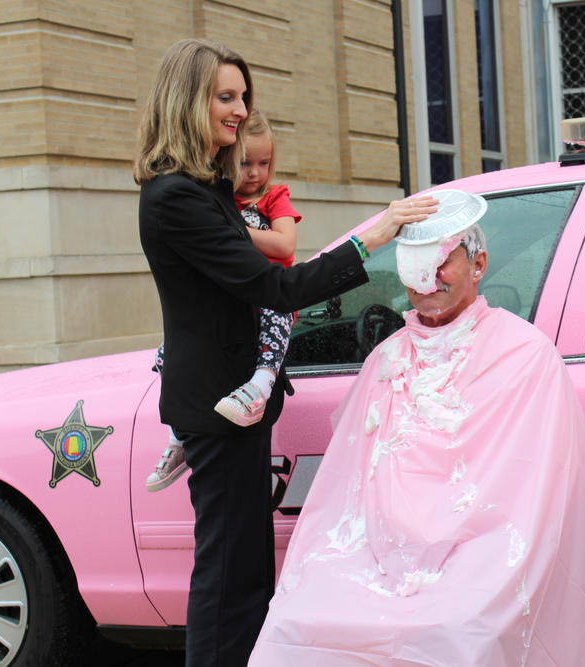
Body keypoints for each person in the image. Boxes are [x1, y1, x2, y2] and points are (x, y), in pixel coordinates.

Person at [134, 38, 436, 667]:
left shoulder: (208, 189)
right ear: (188, 101)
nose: (241, 109)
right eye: (226, 96)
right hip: (217, 405)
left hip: (234, 402)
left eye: (243, 96)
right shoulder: (175, 198)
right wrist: (374, 236)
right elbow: (274, 287)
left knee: (245, 569)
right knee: (227, 574)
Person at [249, 222, 585, 666]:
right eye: (415, 264)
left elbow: (530, 497)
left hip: (480, 551)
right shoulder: (387, 358)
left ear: (478, 264)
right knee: (296, 617)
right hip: (371, 552)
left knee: (461, 629)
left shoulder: (523, 354)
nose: (428, 277)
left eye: (442, 261)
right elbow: (347, 491)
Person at [145, 108, 303, 492]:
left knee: (274, 325)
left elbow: (284, 244)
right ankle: (178, 438)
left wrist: (230, 231)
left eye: (264, 163)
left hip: (269, 296)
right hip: (227, 307)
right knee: (169, 354)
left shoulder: (273, 198)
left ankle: (260, 387)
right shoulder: (216, 200)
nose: (255, 173)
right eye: (246, 163)